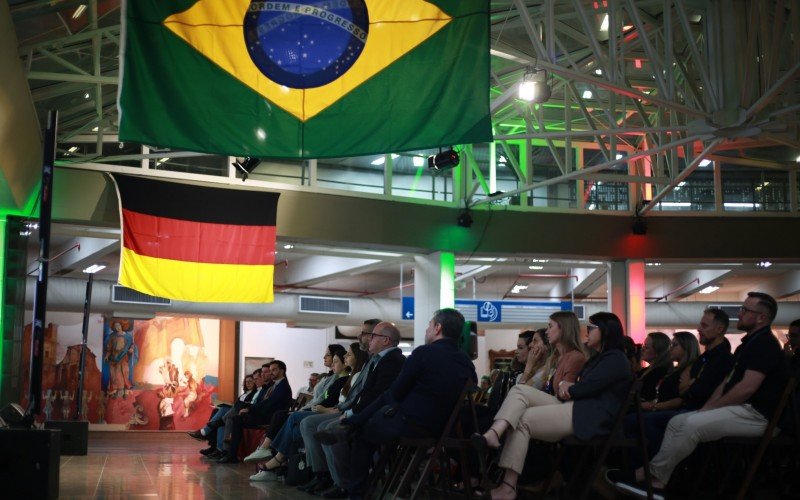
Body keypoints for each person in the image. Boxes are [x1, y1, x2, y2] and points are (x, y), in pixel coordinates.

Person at [615, 292, 789, 498]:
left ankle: (647, 476)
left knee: (689, 424)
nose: (739, 314)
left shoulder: (765, 344)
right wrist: (707, 409)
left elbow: (746, 388)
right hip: (744, 410)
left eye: (745, 310)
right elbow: (726, 383)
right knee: (678, 421)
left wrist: (711, 409)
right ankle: (658, 482)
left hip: (759, 415)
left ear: (762, 317)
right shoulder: (748, 344)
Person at [480, 312, 632, 500]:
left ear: (606, 331)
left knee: (523, 419)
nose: (587, 332)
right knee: (519, 390)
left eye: (592, 328)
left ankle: (508, 487)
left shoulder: (614, 358)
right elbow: (580, 388)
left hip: (588, 416)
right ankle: (495, 432)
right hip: (578, 408)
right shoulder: (600, 358)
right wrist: (568, 386)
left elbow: (585, 388)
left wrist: (567, 386)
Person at [345, 309, 477, 499]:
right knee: (369, 419)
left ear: (438, 328)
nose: (426, 329)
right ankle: (354, 422)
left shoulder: (424, 353)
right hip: (443, 428)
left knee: (361, 431)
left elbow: (396, 392)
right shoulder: (466, 362)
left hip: (411, 424)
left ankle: (356, 494)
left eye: (429, 325)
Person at [296, 321, 405, 496]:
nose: (369, 339)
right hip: (369, 411)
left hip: (380, 415)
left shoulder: (393, 361)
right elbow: (367, 394)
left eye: (373, 336)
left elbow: (376, 395)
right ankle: (331, 478)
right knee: (321, 425)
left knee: (333, 428)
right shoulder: (379, 360)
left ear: (385, 340)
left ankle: (344, 484)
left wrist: (351, 413)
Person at [218, 360, 293, 463]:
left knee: (237, 419)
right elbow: (264, 402)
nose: (271, 372)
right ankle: (228, 452)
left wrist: (249, 409)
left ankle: (232, 455)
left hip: (270, 418)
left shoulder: (283, 386)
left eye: (274, 370)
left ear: (282, 371)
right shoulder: (276, 385)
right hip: (265, 415)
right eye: (270, 370)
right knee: (237, 417)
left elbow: (268, 403)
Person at [188, 372, 257, 446]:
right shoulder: (244, 394)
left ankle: (205, 432)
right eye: (246, 382)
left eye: (250, 381)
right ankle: (217, 447)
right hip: (234, 410)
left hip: (240, 413)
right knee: (216, 412)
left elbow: (246, 405)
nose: (248, 383)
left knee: (222, 413)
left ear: (254, 382)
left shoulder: (254, 393)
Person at [103, 320, 138, 398]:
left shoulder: (128, 336)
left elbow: (132, 345)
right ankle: (115, 391)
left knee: (123, 372)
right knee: (113, 374)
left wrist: (131, 349)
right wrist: (107, 355)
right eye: (115, 326)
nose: (117, 327)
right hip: (113, 357)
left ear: (122, 326)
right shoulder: (112, 336)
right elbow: (109, 347)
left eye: (118, 326)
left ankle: (123, 391)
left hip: (123, 357)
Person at [638, 332, 672, 402]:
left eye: (646, 347)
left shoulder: (661, 372)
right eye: (643, 346)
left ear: (658, 351)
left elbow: (648, 395)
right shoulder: (644, 371)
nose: (642, 350)